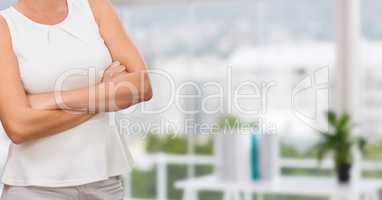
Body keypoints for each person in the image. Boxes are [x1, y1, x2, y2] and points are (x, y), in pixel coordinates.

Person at [0, 0, 153, 199]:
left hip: (104, 181)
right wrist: (104, 92)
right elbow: (19, 127)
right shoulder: (5, 27)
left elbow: (142, 86)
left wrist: (49, 100)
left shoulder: (95, 6)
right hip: (34, 188)